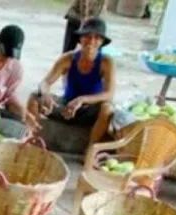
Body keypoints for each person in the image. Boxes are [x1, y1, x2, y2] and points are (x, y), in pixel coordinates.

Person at [28, 18, 116, 147]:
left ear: (102, 42)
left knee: (107, 108)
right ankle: (33, 138)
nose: (91, 42)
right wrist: (46, 94)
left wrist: (82, 100)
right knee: (34, 97)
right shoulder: (68, 58)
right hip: (66, 106)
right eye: (87, 36)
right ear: (80, 38)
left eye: (97, 38)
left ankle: (91, 149)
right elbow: (45, 82)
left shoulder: (106, 62)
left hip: (89, 111)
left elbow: (109, 94)